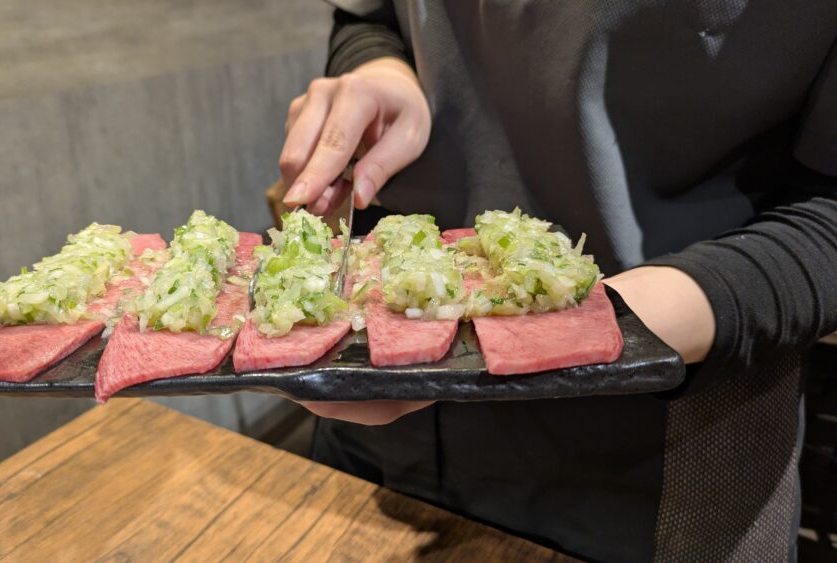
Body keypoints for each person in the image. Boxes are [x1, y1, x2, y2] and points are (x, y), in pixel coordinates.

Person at [277, 2, 837, 561]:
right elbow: (368, 15)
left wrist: (602, 321)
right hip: (376, 419)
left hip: (663, 450)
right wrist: (378, 68)